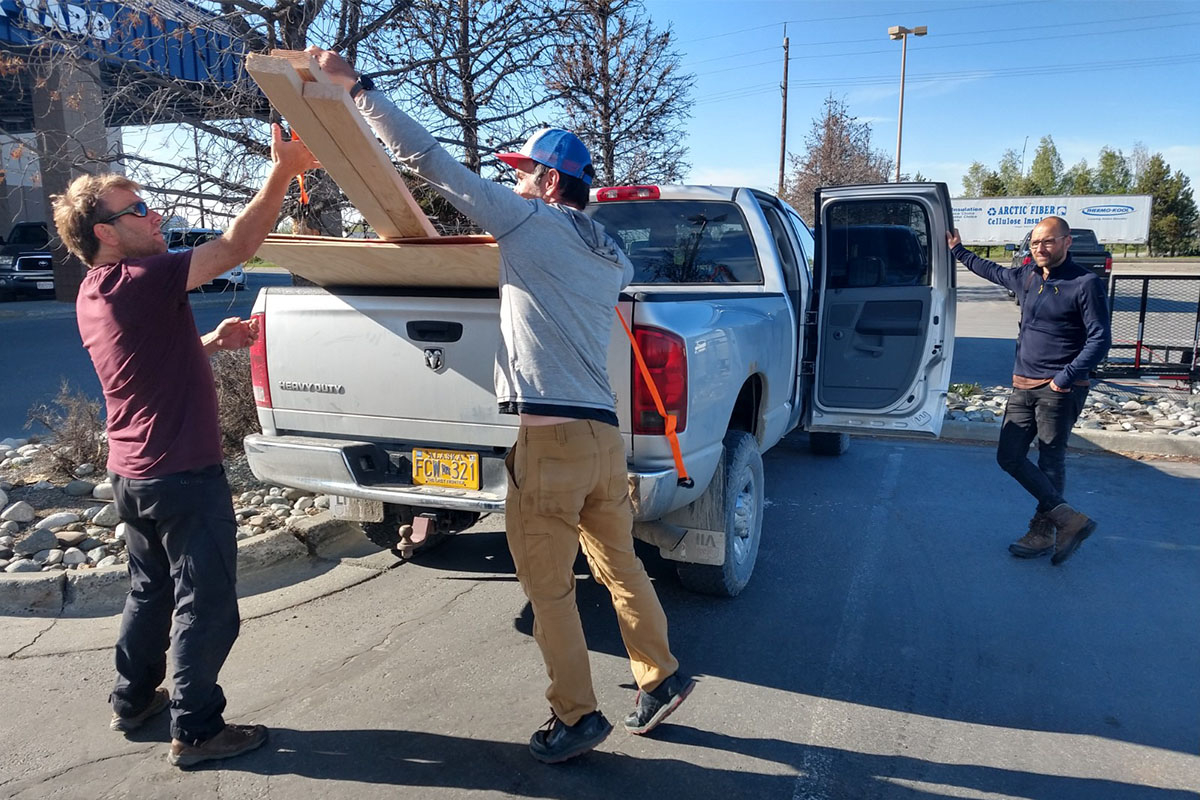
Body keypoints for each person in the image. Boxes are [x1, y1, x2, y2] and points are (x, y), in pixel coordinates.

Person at [308, 47, 694, 763]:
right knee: (621, 567)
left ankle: (577, 716)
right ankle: (660, 677)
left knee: (549, 590)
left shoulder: (530, 225)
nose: (514, 187)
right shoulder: (609, 251)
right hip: (603, 443)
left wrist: (355, 88)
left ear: (551, 181)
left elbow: (430, 162)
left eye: (523, 175)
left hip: (548, 448)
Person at [50, 125, 317, 768]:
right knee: (209, 598)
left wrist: (206, 345)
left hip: (135, 473)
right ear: (106, 232)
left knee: (151, 590)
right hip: (182, 473)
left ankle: (132, 698)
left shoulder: (96, 292)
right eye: (138, 209)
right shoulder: (141, 276)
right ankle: (196, 729)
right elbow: (238, 246)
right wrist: (282, 171)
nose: (156, 213)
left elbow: (136, 366)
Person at [947, 217, 1111, 565]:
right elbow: (990, 270)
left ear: (1066, 242)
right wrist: (958, 250)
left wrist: (1064, 379)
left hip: (1059, 388)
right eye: (1035, 242)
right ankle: (1068, 519)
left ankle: (1042, 531)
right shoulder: (1027, 277)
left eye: (1048, 242)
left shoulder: (1085, 283)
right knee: (1009, 456)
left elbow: (1100, 338)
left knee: (1051, 459)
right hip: (1022, 384)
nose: (1040, 248)